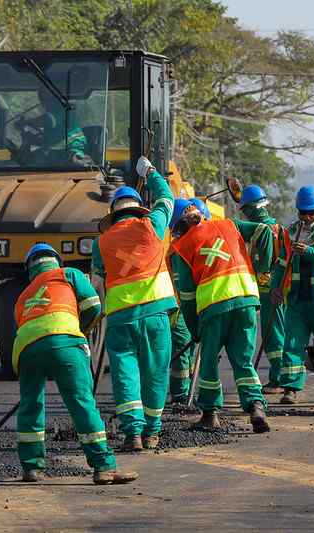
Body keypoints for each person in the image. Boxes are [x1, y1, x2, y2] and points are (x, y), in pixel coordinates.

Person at [12, 243, 137, 484]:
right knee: (81, 403)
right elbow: (93, 306)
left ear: (30, 269)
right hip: (66, 343)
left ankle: (31, 467)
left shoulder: (24, 294)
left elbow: (23, 327)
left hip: (27, 349)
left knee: (30, 404)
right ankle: (103, 466)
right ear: (56, 261)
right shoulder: (69, 274)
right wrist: (79, 330)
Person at [91, 156, 176, 451]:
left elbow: (97, 279)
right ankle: (153, 431)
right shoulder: (153, 225)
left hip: (120, 319)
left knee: (125, 375)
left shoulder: (100, 242)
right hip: (155, 314)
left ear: (114, 214)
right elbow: (167, 197)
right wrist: (150, 172)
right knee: (155, 373)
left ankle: (133, 434)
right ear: (138, 208)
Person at [170, 201, 273, 433]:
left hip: (214, 307)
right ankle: (256, 405)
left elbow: (186, 296)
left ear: (177, 227)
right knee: (243, 361)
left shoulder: (182, 248)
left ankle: (209, 414)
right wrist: (262, 268)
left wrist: (194, 329)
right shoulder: (229, 224)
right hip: (246, 300)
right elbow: (264, 230)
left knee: (208, 363)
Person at [270, 185, 314, 404]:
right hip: (297, 300)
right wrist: (276, 286)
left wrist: (309, 252)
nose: (307, 217)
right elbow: (282, 262)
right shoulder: (289, 233)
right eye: (303, 212)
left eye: (311, 212)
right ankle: (290, 388)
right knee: (292, 343)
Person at [238, 184, 285, 394]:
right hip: (276, 289)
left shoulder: (264, 230)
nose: (245, 215)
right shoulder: (274, 227)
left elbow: (263, 266)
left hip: (269, 291)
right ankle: (281, 377)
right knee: (275, 333)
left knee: (273, 335)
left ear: (252, 208)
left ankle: (278, 379)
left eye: (246, 210)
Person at [167, 199, 208, 404]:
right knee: (183, 348)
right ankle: (180, 394)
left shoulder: (193, 244)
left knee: (191, 350)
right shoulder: (179, 250)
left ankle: (188, 391)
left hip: (193, 304)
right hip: (180, 308)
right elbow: (183, 288)